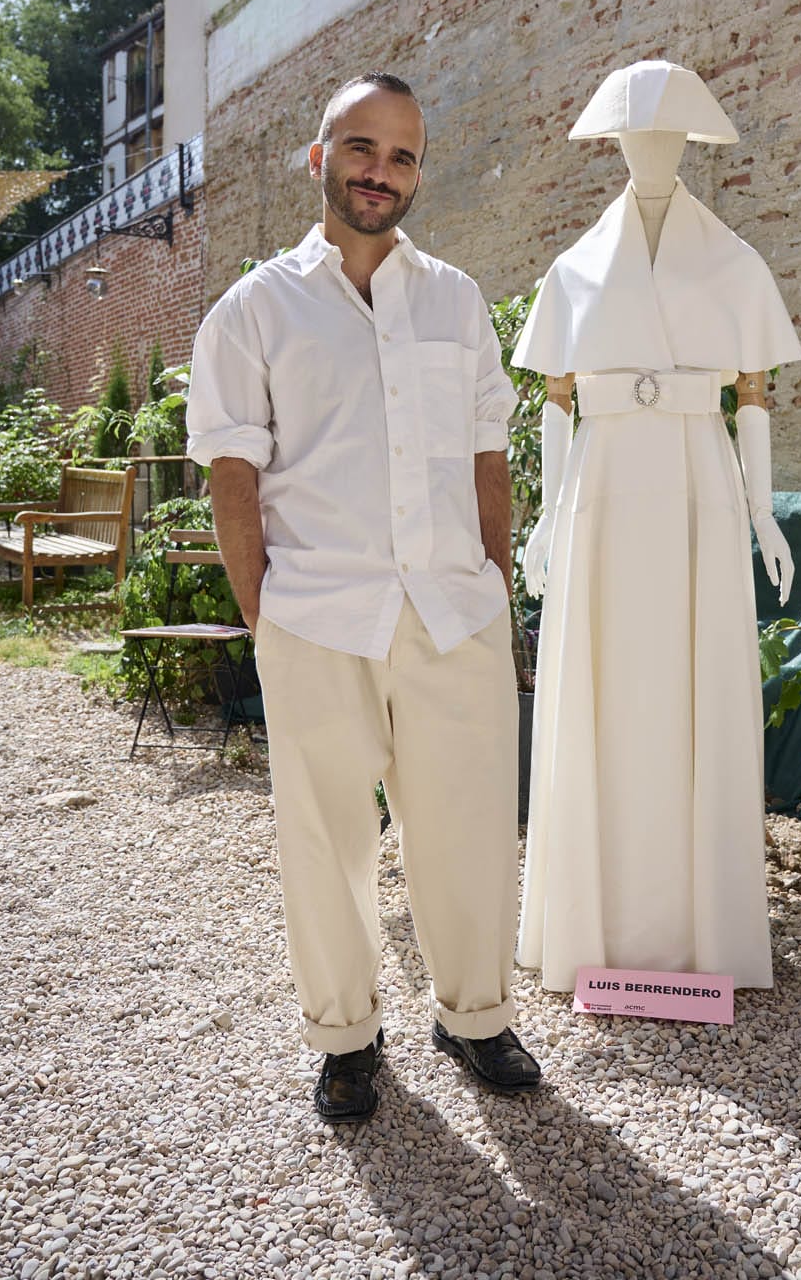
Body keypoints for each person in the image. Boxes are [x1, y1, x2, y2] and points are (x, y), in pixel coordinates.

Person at [186, 72, 541, 1122]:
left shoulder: (456, 299)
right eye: (360, 147)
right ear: (318, 157)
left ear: (418, 171)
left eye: (401, 155)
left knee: (469, 829)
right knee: (325, 839)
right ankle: (344, 1036)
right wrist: (267, 621)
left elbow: (487, 457)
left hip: (451, 613)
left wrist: (494, 589)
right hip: (316, 616)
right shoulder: (254, 310)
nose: (379, 171)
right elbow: (231, 479)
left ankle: (472, 1016)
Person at [513, 60, 801, 994]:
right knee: (602, 688)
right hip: (601, 493)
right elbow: (556, 404)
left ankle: (699, 938)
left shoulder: (734, 262)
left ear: (689, 148)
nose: (652, 152)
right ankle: (592, 929)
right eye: (638, 139)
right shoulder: (574, 270)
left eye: (669, 139)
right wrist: (549, 519)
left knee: (693, 685)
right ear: (614, 148)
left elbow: (753, 395)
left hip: (695, 486)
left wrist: (763, 512)